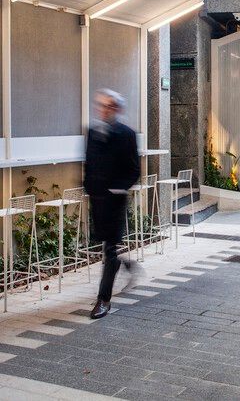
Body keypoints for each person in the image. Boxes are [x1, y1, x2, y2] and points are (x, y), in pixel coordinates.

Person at [84, 89, 140, 319]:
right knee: (106, 247)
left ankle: (103, 300)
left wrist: (119, 188)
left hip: (115, 201)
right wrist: (88, 186)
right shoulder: (93, 132)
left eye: (109, 106)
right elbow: (88, 162)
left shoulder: (126, 134)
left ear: (117, 109)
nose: (104, 109)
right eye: (101, 105)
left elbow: (134, 169)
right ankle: (123, 264)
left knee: (109, 249)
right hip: (97, 200)